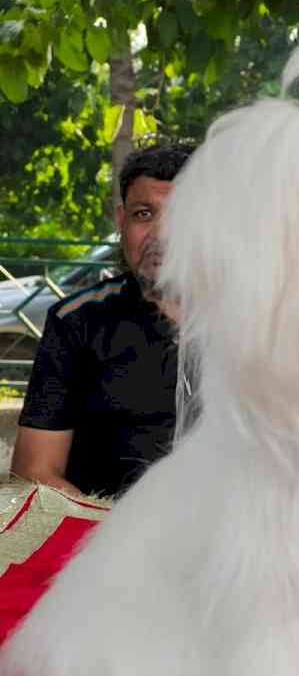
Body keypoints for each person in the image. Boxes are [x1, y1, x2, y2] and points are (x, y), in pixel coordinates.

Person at [11, 141, 195, 498]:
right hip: (101, 538)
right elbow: (34, 472)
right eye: (145, 214)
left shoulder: (255, 323)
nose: (161, 234)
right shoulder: (77, 323)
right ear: (121, 220)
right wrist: (121, 537)